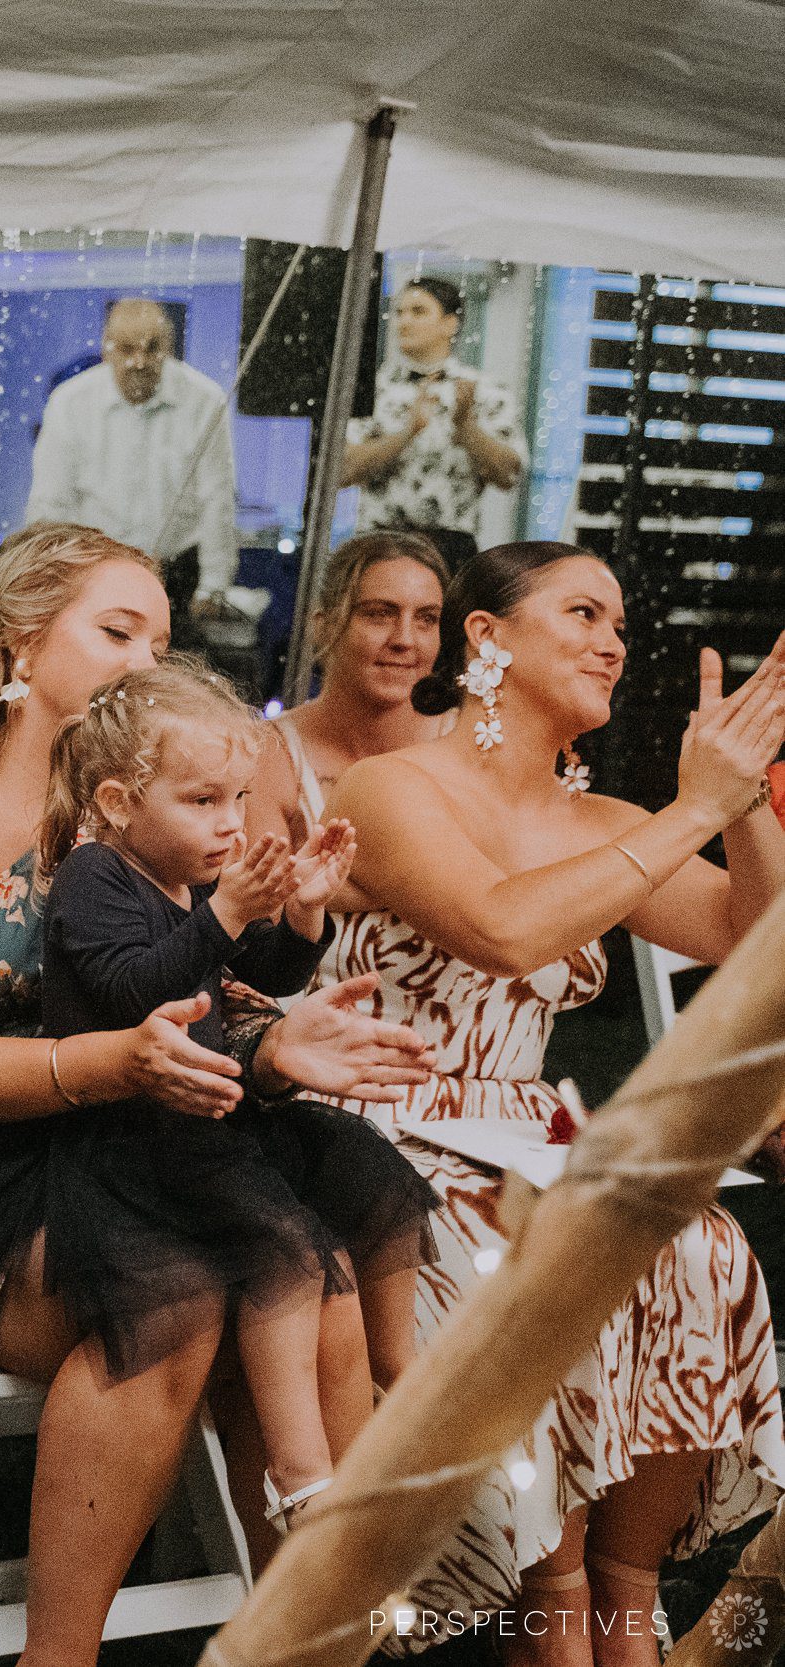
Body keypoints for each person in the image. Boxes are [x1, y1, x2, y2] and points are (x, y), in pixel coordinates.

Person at [0, 522, 435, 1664]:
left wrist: (276, 1042)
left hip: (134, 1140)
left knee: (306, 1257)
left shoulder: (153, 814)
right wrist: (112, 1065)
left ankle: (320, 1625)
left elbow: (190, 988)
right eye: (116, 630)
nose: (147, 662)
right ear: (20, 637)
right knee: (178, 1290)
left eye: (162, 638)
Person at [322, 542, 785, 1667]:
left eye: (621, 624)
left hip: (527, 1126)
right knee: (538, 1257)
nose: (612, 642)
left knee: (704, 1248)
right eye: (582, 612)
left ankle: (626, 1586)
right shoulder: (391, 785)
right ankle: (552, 1601)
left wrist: (745, 801)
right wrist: (688, 809)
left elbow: (754, 941)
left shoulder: (600, 818)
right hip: (386, 1132)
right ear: (485, 638)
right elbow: (502, 927)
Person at [36, 658, 433, 1529]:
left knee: (362, 1162)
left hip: (210, 1120)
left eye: (238, 798)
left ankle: (402, 1373)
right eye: (203, 800)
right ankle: (297, 1473)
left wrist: (300, 917)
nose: (229, 823)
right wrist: (224, 916)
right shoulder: (93, 877)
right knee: (284, 1246)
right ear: (115, 803)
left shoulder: (193, 877)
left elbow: (268, 973)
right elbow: (133, 990)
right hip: (132, 1144)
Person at [23, 299, 250, 625]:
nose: (138, 361)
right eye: (127, 349)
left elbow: (217, 499)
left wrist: (214, 585)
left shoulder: (205, 400)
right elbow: (50, 504)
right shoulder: (70, 403)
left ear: (169, 347)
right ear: (107, 349)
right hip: (94, 571)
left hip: (177, 575)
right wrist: (52, 579)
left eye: (151, 348)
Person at [254, 530, 451, 834]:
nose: (405, 640)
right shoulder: (272, 754)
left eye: (426, 619)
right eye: (379, 615)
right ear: (323, 626)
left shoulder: (468, 742)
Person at [339, 278, 525, 564]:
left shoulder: (485, 390)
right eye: (399, 312)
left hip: (450, 547)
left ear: (450, 324)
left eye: (418, 311)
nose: (404, 321)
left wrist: (466, 427)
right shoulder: (372, 389)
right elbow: (344, 471)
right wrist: (407, 432)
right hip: (380, 541)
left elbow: (509, 476)